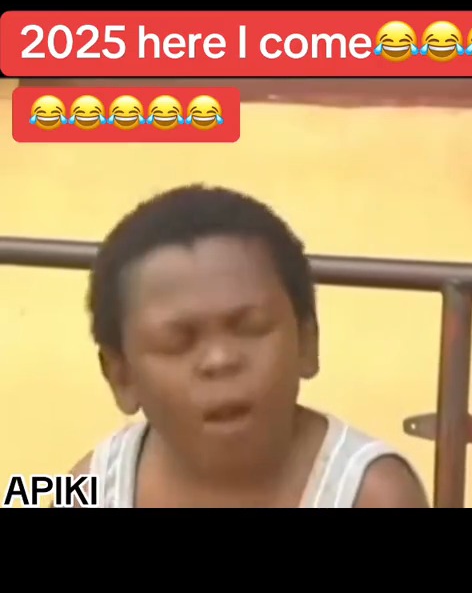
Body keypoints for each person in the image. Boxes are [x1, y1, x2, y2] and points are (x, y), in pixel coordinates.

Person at [68, 185, 429, 508]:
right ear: (122, 376)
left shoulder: (373, 495)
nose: (220, 360)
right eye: (178, 343)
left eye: (251, 329)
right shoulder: (93, 487)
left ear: (307, 341)